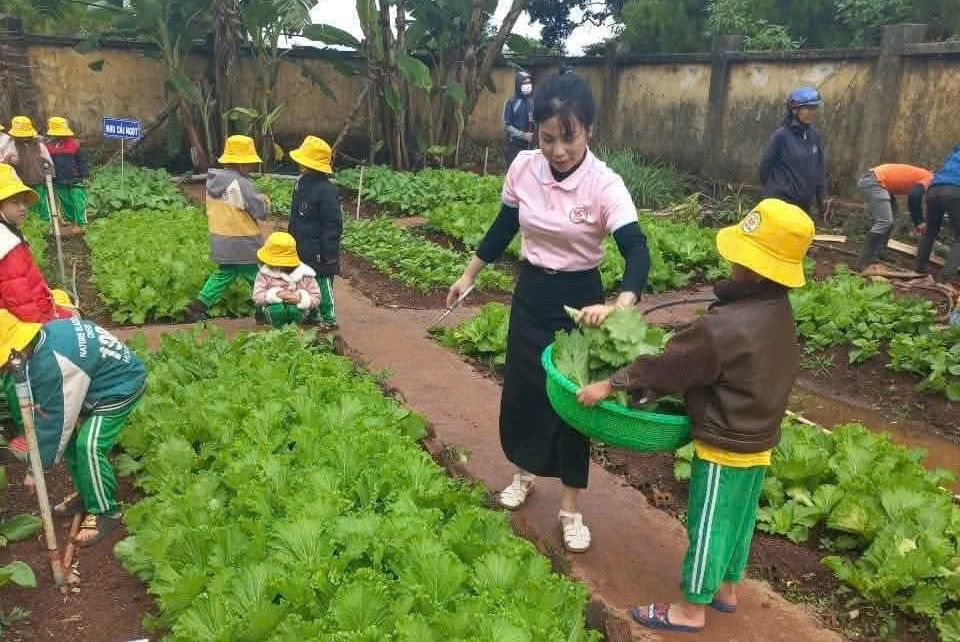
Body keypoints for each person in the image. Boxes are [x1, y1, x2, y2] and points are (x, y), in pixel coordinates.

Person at [577, 198, 815, 634]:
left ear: (756, 269)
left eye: (740, 256)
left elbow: (668, 367)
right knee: (739, 520)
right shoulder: (777, 313)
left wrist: (610, 384)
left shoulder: (722, 328)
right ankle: (726, 590)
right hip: (760, 439)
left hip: (726, 444)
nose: (730, 262)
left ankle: (690, 609)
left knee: (707, 525)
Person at [448, 72, 651, 553]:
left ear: (589, 131)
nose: (558, 150)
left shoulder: (605, 184)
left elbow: (637, 252)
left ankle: (571, 509)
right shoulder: (523, 168)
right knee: (523, 391)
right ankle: (522, 474)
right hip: (532, 293)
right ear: (535, 133)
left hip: (583, 304)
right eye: (548, 138)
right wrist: (468, 274)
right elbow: (503, 226)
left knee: (575, 405)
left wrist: (618, 305)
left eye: (569, 137)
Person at [0, 311, 147, 547]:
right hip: (98, 380)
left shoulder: (53, 365)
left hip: (119, 387)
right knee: (69, 443)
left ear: (16, 349)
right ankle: (88, 492)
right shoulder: (46, 337)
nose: (5, 368)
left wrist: (36, 469)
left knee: (88, 446)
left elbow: (57, 422)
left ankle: (104, 512)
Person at [0, 163, 75, 460]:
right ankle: (30, 428)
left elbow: (29, 284)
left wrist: (53, 304)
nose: (23, 207)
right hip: (12, 320)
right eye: (14, 202)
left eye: (23, 201)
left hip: (16, 312)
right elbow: (19, 298)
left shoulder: (9, 233)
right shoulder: (6, 243)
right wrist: (48, 320)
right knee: (22, 368)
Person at [185, 135, 270, 322]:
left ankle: (197, 306)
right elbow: (260, 211)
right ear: (241, 165)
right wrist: (264, 200)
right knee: (257, 275)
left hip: (220, 240)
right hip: (243, 241)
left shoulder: (212, 182)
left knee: (225, 274)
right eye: (249, 164)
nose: (251, 168)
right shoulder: (242, 184)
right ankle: (266, 309)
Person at [287, 135, 341, 328]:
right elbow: (294, 217)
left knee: (322, 283)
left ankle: (329, 318)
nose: (300, 165)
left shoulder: (326, 191)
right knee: (304, 281)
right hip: (301, 245)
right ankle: (312, 313)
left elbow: (332, 223)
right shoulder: (301, 185)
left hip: (320, 249)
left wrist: (329, 251)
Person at [758, 87, 826, 215]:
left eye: (814, 108)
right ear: (795, 110)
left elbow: (819, 169)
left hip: (804, 204)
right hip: (781, 202)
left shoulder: (814, 136)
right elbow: (765, 166)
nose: (812, 112)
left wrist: (821, 197)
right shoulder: (782, 135)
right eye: (808, 108)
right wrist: (777, 189)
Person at [252, 232, 321, 327]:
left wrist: (300, 298)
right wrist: (275, 295)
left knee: (294, 311)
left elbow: (316, 297)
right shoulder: (264, 273)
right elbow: (257, 296)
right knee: (277, 311)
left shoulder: (304, 274)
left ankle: (294, 329)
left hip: (297, 308)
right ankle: (277, 330)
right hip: (272, 306)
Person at [916, 144, 960, 283]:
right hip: (955, 191)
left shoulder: (954, 154)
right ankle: (945, 279)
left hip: (934, 190)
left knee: (930, 231)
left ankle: (918, 269)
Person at [45, 117, 89, 235]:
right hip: (59, 179)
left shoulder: (74, 144)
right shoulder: (49, 146)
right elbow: (47, 162)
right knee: (66, 202)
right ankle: (71, 222)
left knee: (78, 200)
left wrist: (85, 176)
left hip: (76, 178)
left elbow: (82, 161)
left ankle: (81, 224)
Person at [7, 116, 54, 221]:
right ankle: (31, 223)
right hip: (22, 180)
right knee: (27, 202)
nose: (24, 138)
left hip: (38, 178)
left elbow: (47, 160)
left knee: (41, 201)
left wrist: (50, 175)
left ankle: (45, 222)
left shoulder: (39, 144)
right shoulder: (12, 145)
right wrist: (9, 160)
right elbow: (5, 163)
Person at [502, 70, 535, 168]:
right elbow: (506, 125)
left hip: (530, 147)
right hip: (514, 146)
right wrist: (522, 135)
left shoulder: (531, 102)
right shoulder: (510, 102)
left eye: (529, 83)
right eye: (525, 83)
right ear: (518, 84)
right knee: (514, 173)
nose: (528, 85)